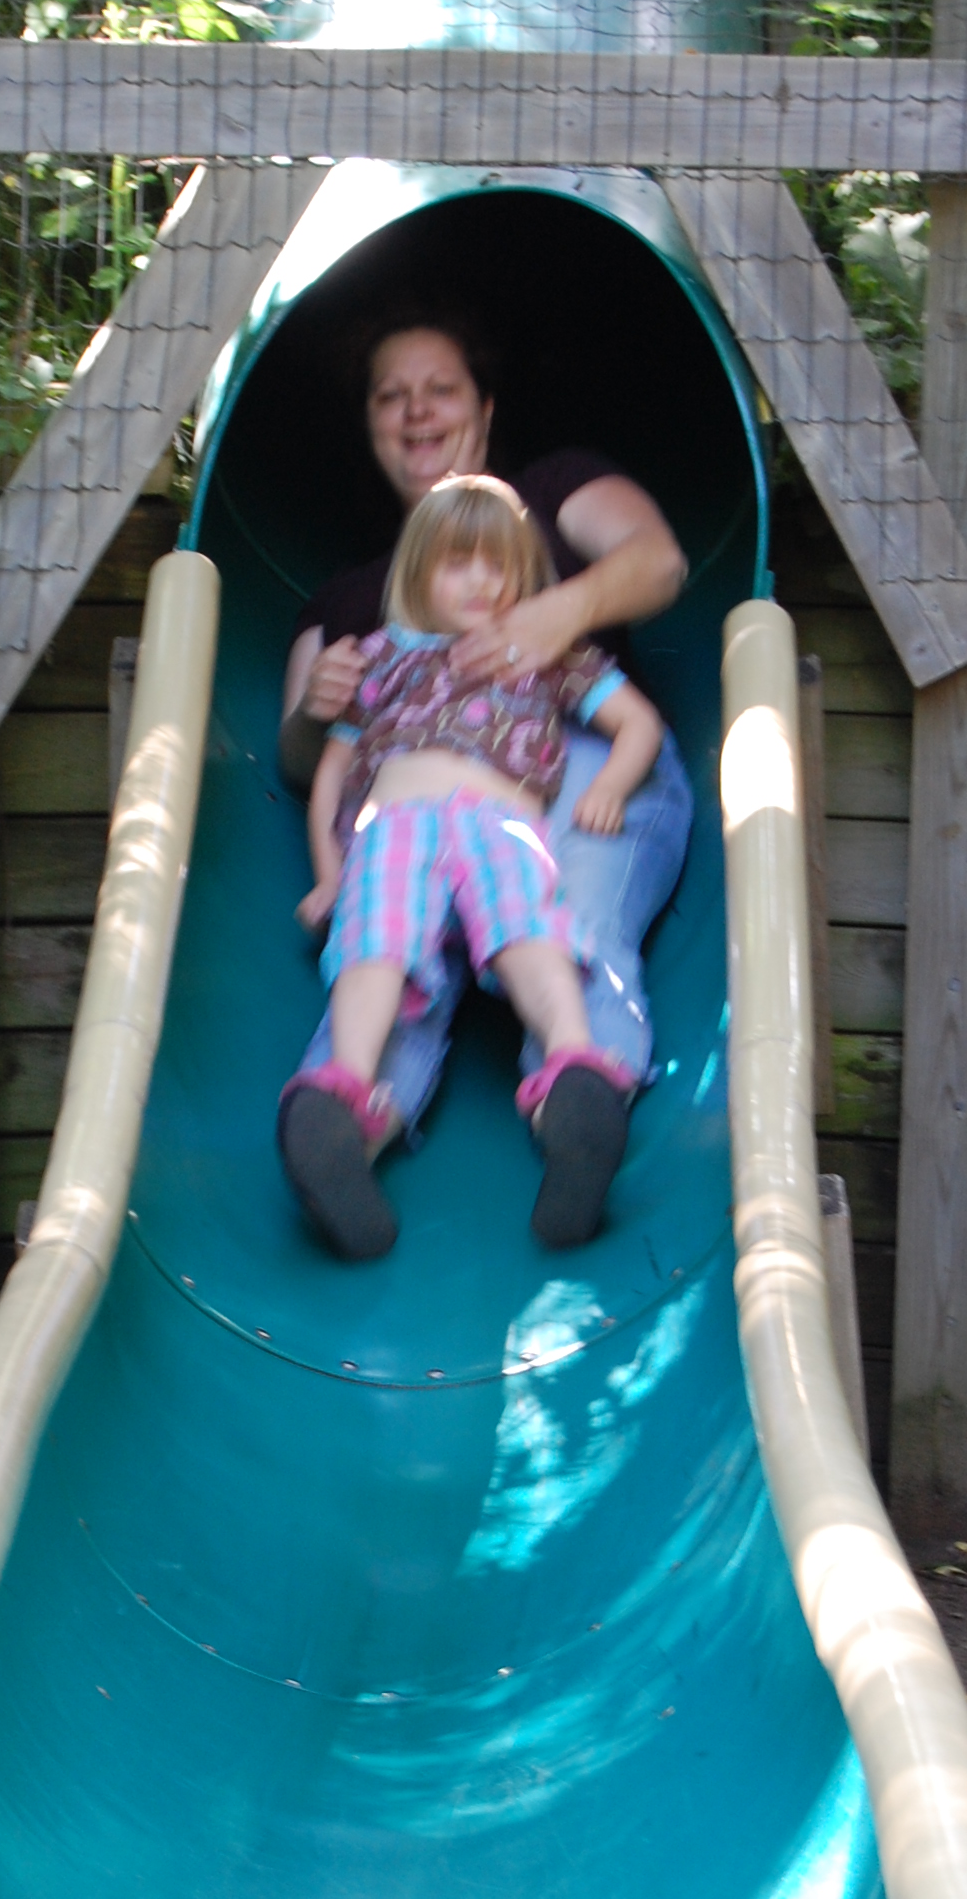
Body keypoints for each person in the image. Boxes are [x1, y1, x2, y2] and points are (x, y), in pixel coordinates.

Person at [280, 315, 693, 1134]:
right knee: (383, 946)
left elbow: (661, 563)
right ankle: (341, 1126)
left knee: (573, 923)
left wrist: (556, 614)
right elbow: (301, 758)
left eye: (441, 389)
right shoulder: (350, 601)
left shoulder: (548, 495)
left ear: (485, 408)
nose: (417, 411)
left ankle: (579, 1104)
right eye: (391, 396)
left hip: (576, 752)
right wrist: (315, 710)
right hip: (411, 802)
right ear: (370, 423)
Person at [282, 476, 663, 1262]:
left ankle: (574, 1066)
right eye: (459, 563)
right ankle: (345, 1091)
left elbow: (637, 723)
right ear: (420, 568)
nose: (482, 582)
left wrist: (609, 787)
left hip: (499, 821)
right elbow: (331, 773)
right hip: (394, 825)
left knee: (530, 930)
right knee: (375, 943)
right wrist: (328, 874)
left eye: (499, 566)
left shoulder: (545, 652)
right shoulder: (380, 655)